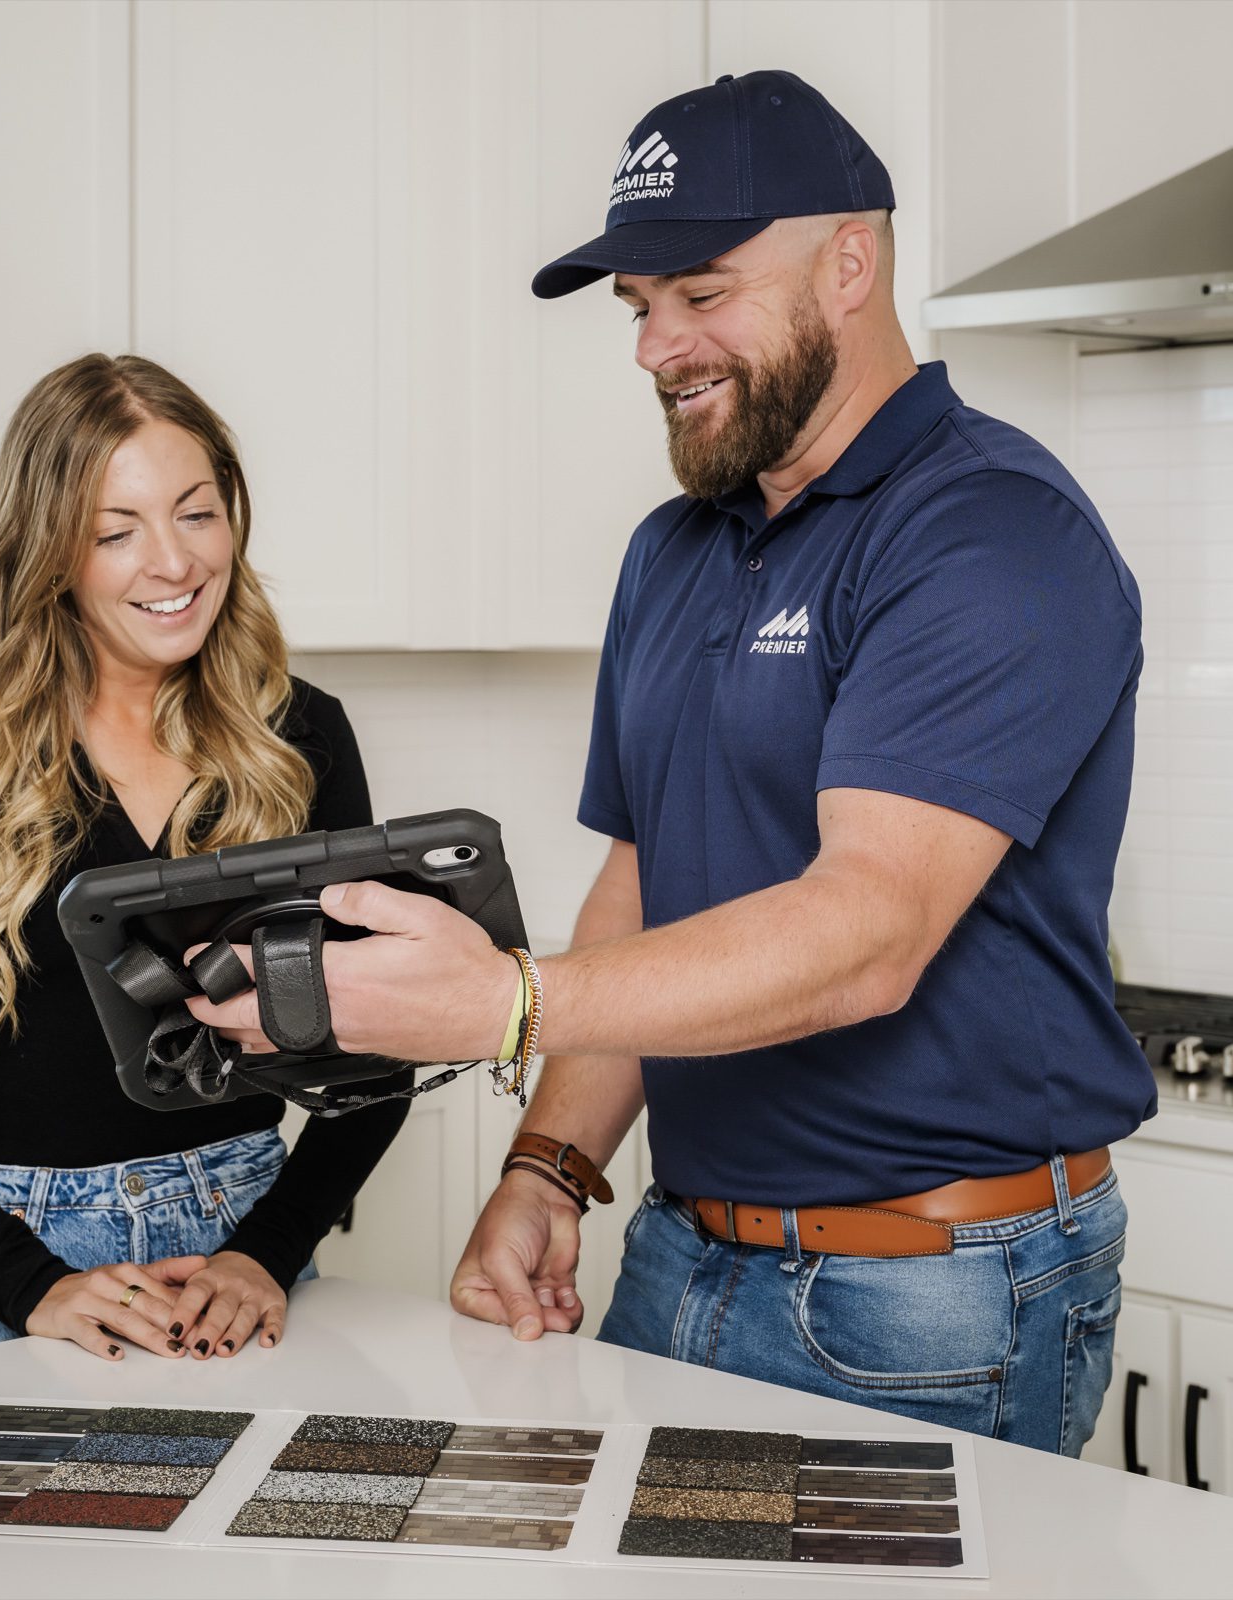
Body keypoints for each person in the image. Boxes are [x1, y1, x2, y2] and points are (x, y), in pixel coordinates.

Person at [188, 71, 1151, 1455]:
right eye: (640, 306)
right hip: (680, 1252)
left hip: (930, 1292)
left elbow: (869, 930)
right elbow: (649, 878)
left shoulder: (989, 532)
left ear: (852, 262)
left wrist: (511, 1006)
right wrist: (551, 1166)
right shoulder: (676, 551)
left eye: (703, 292)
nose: (656, 347)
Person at [0, 353, 405, 1362]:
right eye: (114, 531)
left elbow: (376, 1055)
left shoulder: (303, 735)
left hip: (242, 1266)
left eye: (196, 513)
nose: (172, 563)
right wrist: (25, 1282)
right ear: (52, 552)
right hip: (10, 1273)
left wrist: (265, 1248)